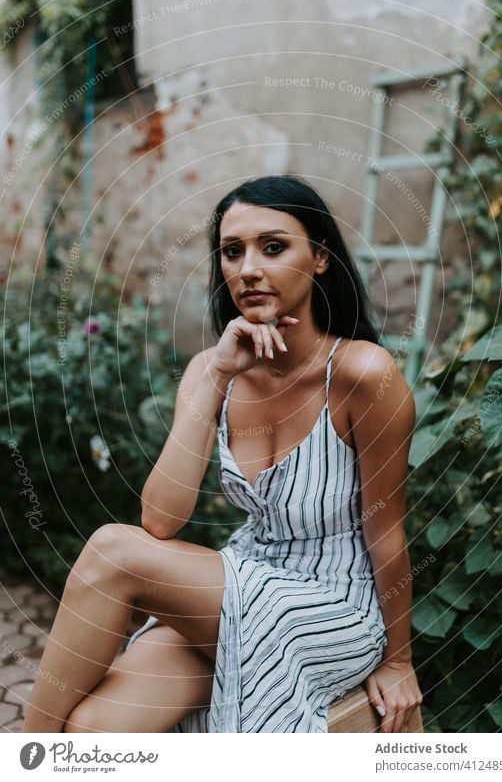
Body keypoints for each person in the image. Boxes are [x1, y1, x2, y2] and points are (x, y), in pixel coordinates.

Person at [22, 174, 423, 734]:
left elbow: (386, 532)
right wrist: (217, 375)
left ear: (322, 258)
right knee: (93, 728)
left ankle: (22, 754)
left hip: (333, 606)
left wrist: (400, 660)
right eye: (232, 252)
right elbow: (161, 519)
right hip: (246, 577)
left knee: (113, 551)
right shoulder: (212, 371)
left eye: (274, 246)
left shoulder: (362, 373)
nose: (248, 268)